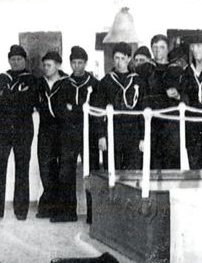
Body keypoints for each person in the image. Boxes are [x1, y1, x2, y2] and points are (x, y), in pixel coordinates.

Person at [0, 45, 37, 222]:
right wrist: (14, 98)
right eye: (13, 59)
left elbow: (30, 102)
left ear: (25, 60)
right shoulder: (1, 78)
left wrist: (8, 97)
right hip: (3, 127)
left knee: (22, 167)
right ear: (9, 60)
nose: (16, 62)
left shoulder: (32, 80)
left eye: (19, 59)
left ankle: (21, 210)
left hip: (23, 127)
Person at [56, 46, 100, 223]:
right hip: (69, 134)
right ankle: (68, 213)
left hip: (89, 134)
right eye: (73, 63)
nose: (77, 66)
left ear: (86, 63)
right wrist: (80, 110)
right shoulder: (65, 83)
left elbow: (95, 110)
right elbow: (61, 110)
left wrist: (73, 108)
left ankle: (94, 215)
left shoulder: (94, 84)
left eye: (80, 63)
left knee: (92, 172)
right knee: (66, 170)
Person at [169, 31, 202, 169]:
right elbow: (185, 95)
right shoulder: (188, 72)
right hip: (192, 127)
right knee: (194, 166)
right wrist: (178, 96)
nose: (194, 49)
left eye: (198, 45)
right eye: (192, 46)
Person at [97, 42, 148, 170]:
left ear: (129, 59)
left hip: (133, 133)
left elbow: (143, 111)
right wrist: (101, 136)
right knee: (113, 171)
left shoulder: (138, 81)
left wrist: (143, 138)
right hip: (112, 132)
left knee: (133, 171)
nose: (119, 62)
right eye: (116, 58)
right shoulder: (105, 82)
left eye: (123, 59)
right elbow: (99, 111)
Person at [35, 51, 71, 219]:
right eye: (45, 65)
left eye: (49, 65)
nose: (46, 68)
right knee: (45, 167)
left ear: (58, 66)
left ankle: (60, 208)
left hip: (63, 130)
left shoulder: (67, 83)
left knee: (62, 169)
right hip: (45, 130)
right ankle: (48, 204)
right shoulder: (40, 84)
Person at [143, 35, 183, 170]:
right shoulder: (145, 69)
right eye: (154, 47)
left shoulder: (177, 70)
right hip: (152, 122)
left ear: (167, 49)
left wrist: (178, 95)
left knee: (172, 163)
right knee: (153, 163)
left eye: (161, 47)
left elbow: (186, 94)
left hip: (171, 124)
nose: (158, 50)